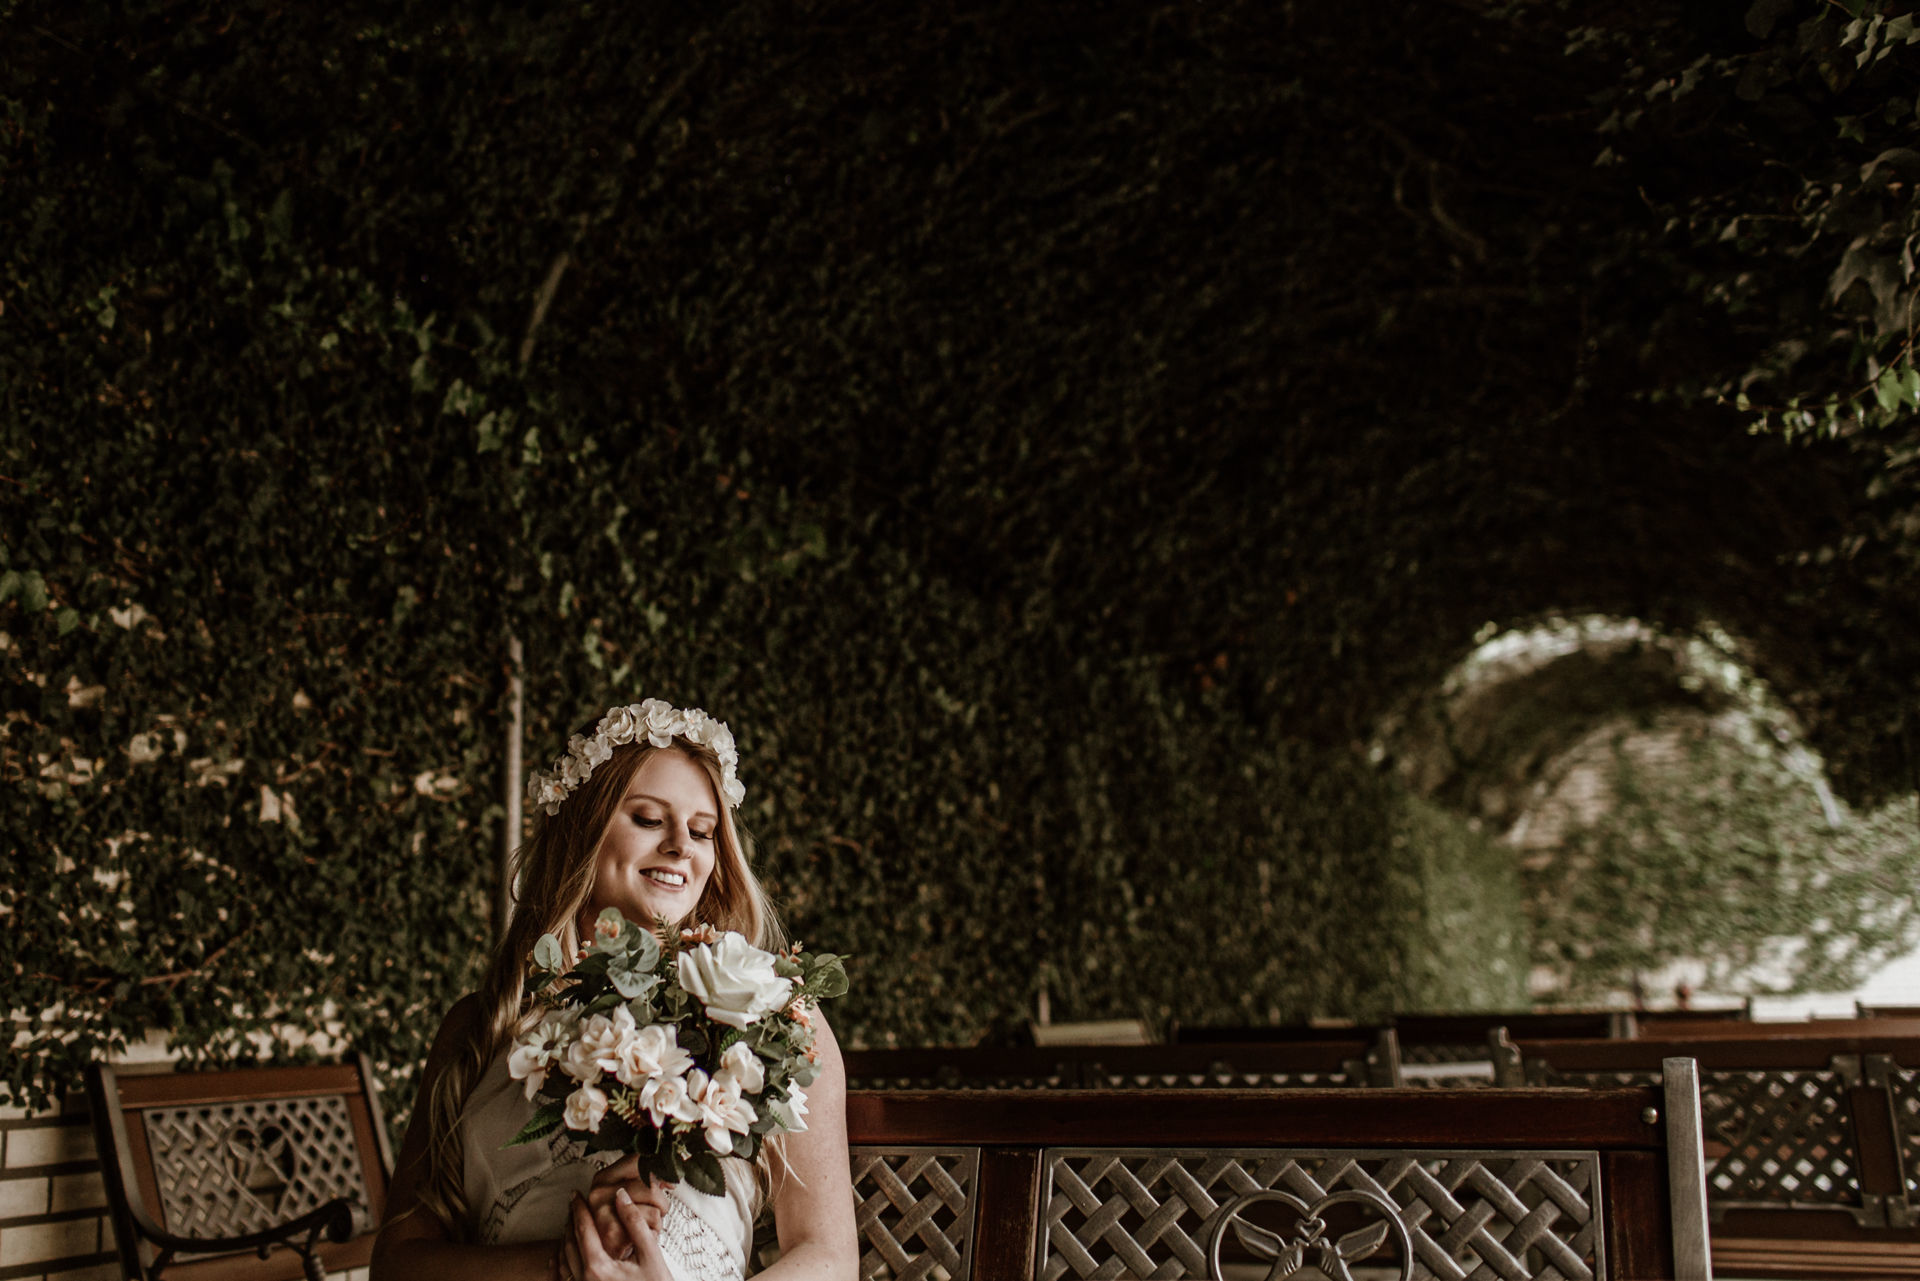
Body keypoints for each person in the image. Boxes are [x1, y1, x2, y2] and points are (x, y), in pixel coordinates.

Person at [372, 699, 859, 1281]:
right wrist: (564, 1267)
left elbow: (828, 1256)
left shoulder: (771, 1014)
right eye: (650, 819)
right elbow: (397, 1265)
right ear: (583, 831)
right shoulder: (481, 1026)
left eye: (703, 831)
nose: (682, 845)